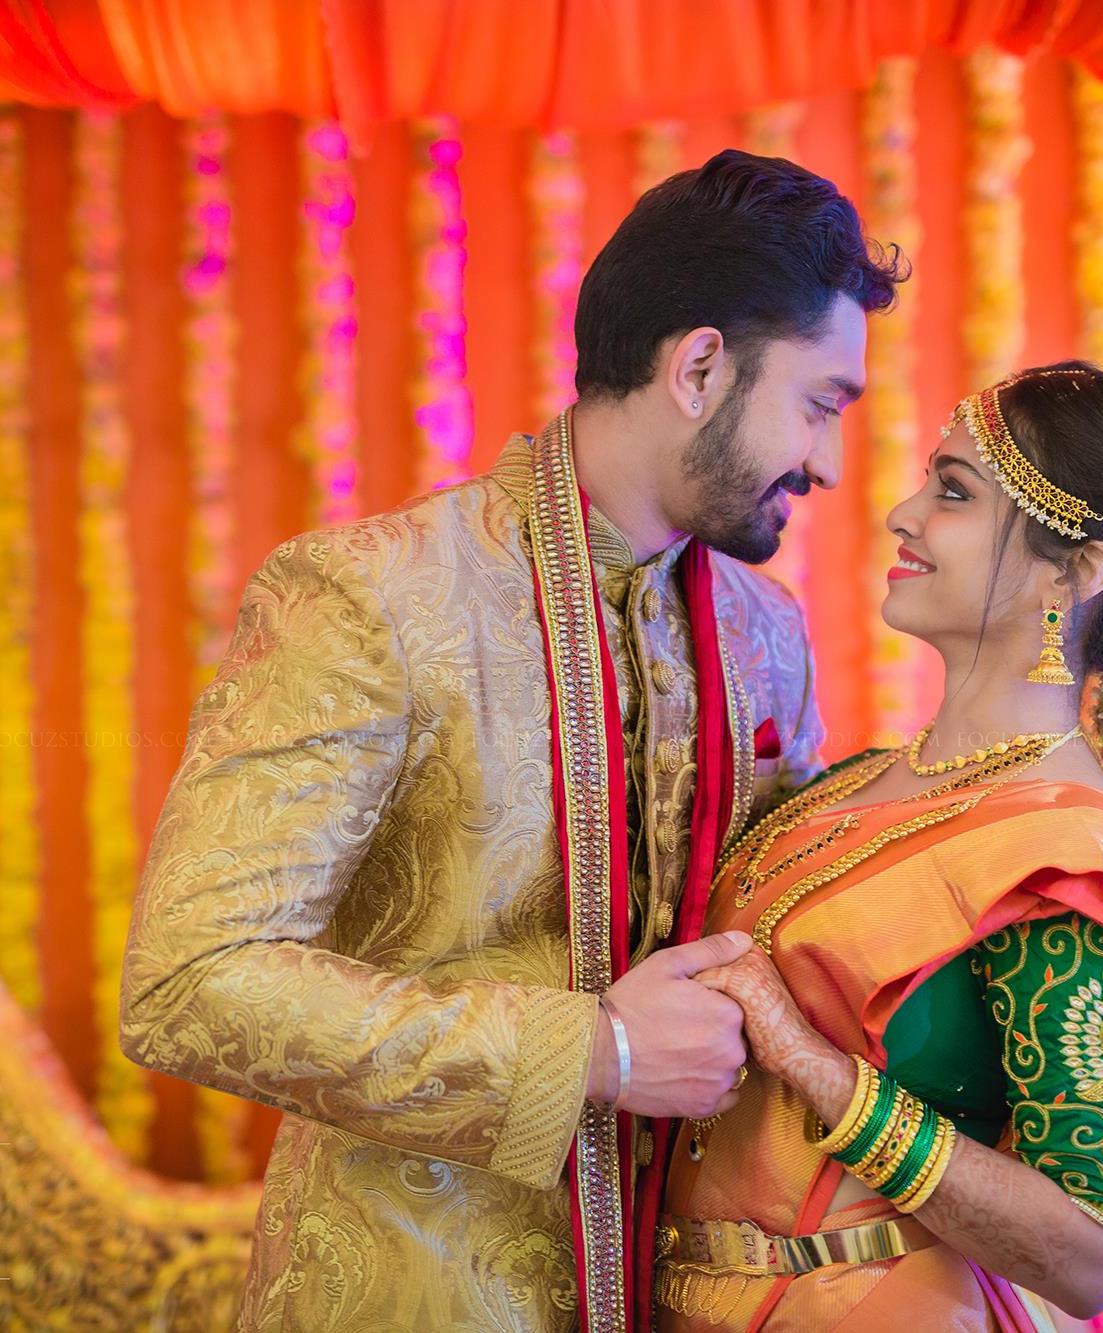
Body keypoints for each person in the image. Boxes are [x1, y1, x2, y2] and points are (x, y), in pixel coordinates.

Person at [117, 148, 905, 1332]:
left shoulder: (763, 635)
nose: (830, 462)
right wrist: (593, 1052)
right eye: (818, 403)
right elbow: (188, 980)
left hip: (690, 1293)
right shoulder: (374, 595)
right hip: (410, 1292)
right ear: (697, 367)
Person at [653, 361, 1103, 1330]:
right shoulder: (857, 780)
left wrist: (806, 1062)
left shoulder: (1063, 857)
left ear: (1072, 573)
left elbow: (1087, 1249)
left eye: (951, 493)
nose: (900, 514)